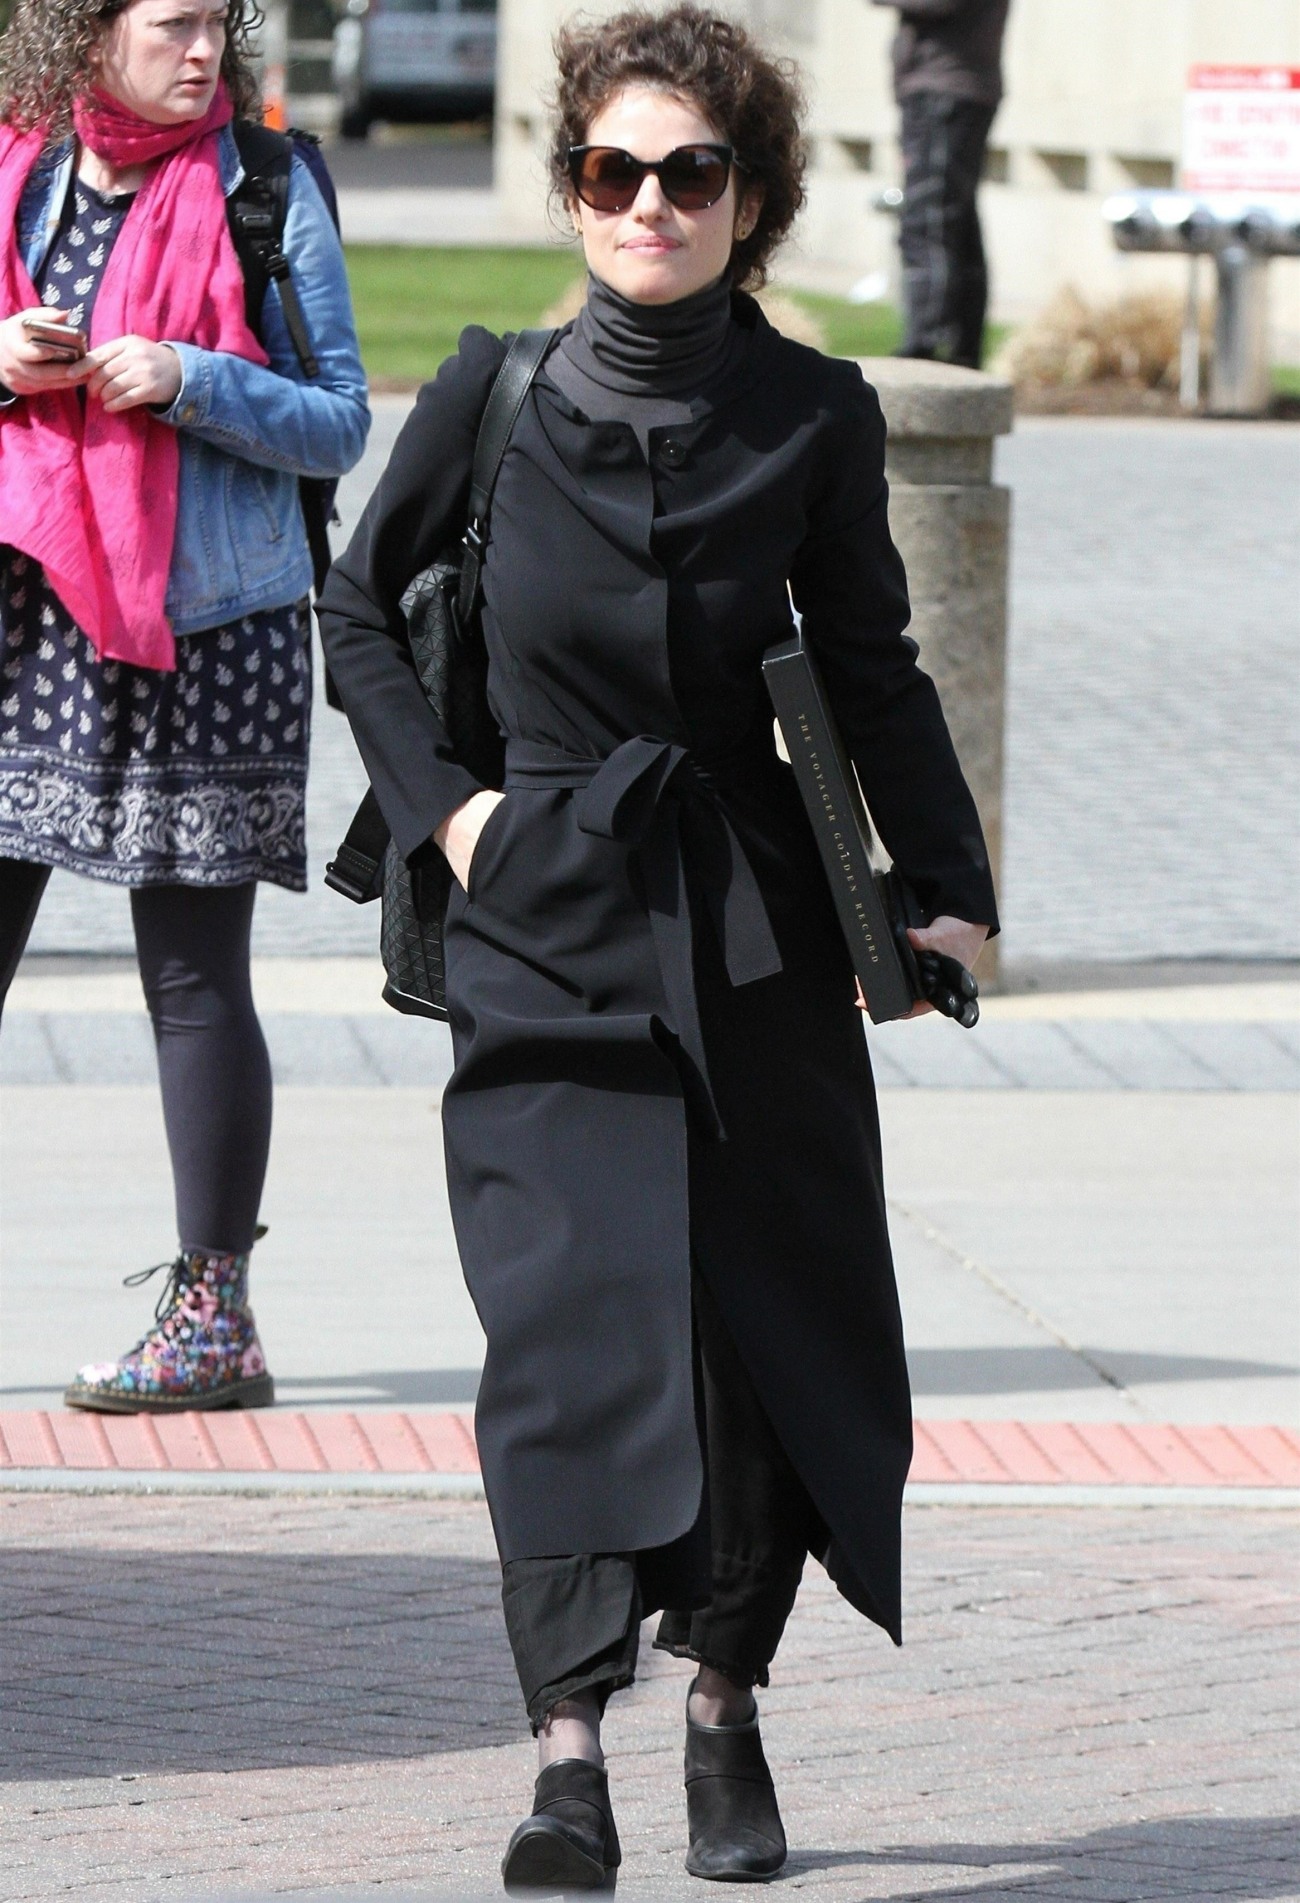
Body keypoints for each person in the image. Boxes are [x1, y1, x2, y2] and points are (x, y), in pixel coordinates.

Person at [319, 3, 996, 1888]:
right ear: (573, 187)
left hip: (755, 929)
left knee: (755, 1334)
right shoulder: (493, 390)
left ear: (749, 200)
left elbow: (870, 664)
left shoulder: (810, 414)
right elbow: (359, 614)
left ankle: (724, 1704)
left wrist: (944, 879)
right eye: (612, 172)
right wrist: (451, 813)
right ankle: (563, 1753)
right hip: (538, 915)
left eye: (689, 174)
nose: (647, 204)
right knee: (561, 1338)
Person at [0, 0, 368, 1411]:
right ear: (85, 34)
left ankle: (215, 1315)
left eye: (218, 22)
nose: (203, 50)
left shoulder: (262, 182)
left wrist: (191, 379)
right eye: (170, 24)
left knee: (192, 978)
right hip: (29, 608)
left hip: (211, 624)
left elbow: (339, 416)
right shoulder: (23, 168)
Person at [873, 0, 1011, 368]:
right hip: (952, 85)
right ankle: (957, 346)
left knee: (929, 218)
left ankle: (928, 344)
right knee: (954, 219)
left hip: (945, 89)